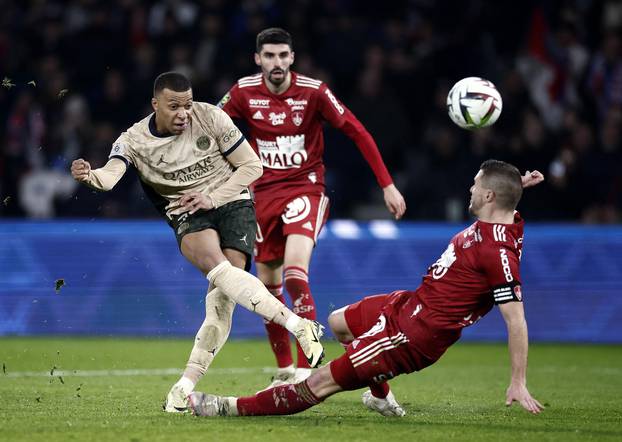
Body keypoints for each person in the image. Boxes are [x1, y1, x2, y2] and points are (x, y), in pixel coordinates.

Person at [187, 161, 546, 418]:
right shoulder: (505, 221)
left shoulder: (497, 252)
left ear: (487, 195)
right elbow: (504, 208)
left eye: (475, 185)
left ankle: (227, 406)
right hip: (409, 304)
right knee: (338, 322)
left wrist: (518, 382)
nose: (469, 189)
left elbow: (516, 320)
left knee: (318, 383)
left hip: (415, 334)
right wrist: (517, 187)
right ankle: (380, 397)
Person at [69, 71, 325, 413]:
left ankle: (182, 387)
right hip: (185, 212)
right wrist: (90, 176)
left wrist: (214, 197)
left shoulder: (211, 117)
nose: (183, 114)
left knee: (222, 299)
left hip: (232, 201)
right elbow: (109, 177)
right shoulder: (132, 140)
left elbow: (251, 166)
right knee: (216, 269)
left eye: (187, 105)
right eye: (174, 106)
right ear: (155, 104)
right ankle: (298, 325)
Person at [218, 27, 407, 386]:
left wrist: (387, 184)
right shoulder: (243, 92)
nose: (277, 62)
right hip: (260, 196)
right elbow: (209, 125)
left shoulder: (314, 91)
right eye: (269, 56)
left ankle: (308, 368)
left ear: (292, 58)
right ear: (258, 59)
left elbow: (357, 131)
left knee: (294, 274)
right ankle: (286, 369)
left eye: (283, 55)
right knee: (267, 286)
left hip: (305, 189)